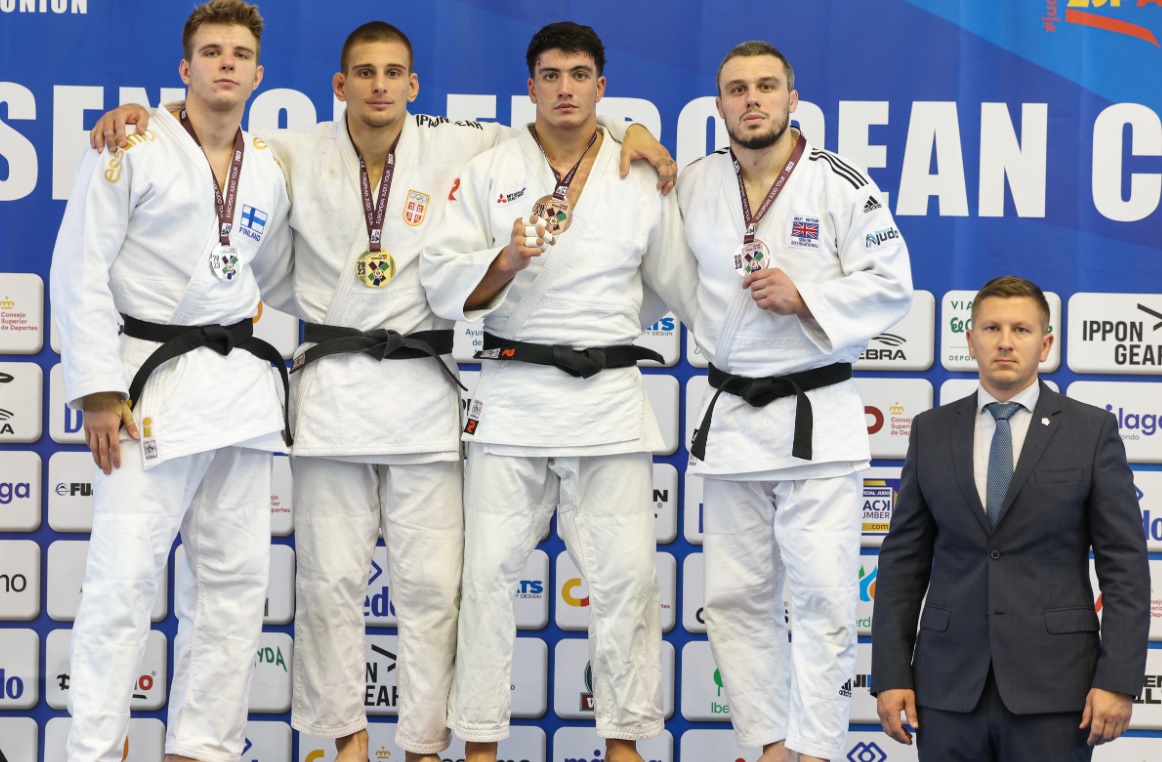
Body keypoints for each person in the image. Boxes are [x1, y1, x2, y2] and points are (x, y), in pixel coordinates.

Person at [89, 21, 676, 762]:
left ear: (413, 85)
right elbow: (217, 129)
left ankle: (424, 744)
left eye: (393, 73)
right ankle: (348, 738)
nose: (379, 86)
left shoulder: (458, 144)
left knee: (432, 588)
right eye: (364, 73)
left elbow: (561, 129)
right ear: (340, 85)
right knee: (328, 581)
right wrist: (148, 116)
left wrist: (631, 132)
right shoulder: (290, 150)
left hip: (422, 393)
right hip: (332, 391)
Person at [420, 21, 696, 762]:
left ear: (601, 86)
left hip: (607, 399)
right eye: (550, 75)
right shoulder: (489, 169)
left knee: (627, 580)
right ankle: (480, 741)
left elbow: (678, 283)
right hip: (513, 392)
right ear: (530, 86)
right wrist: (506, 260)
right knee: (486, 578)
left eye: (579, 75)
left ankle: (624, 741)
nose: (564, 88)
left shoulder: (639, 173)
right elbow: (442, 279)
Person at [49, 2, 293, 762]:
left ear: (259, 74)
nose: (227, 64)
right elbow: (80, 266)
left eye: (240, 54)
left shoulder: (267, 167)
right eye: (212, 52)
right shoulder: (131, 144)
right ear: (185, 69)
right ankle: (95, 747)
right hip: (143, 391)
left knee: (232, 585)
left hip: (238, 391)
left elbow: (271, 273)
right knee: (122, 580)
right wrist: (97, 389)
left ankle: (203, 745)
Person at [675, 41, 912, 762]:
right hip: (734, 420)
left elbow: (893, 283)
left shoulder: (839, 183)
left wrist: (805, 295)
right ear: (720, 105)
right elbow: (662, 267)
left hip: (817, 419)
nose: (752, 99)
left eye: (766, 86)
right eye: (737, 89)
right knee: (734, 601)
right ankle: (769, 746)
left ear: (792, 99)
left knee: (823, 602)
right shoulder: (694, 182)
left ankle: (817, 752)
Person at [871, 276, 1149, 761]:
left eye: (1021, 330)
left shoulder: (1091, 431)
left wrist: (1118, 681)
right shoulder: (931, 431)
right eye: (992, 328)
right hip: (946, 689)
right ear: (970, 340)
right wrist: (891, 674)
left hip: (1057, 691)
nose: (1005, 342)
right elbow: (901, 566)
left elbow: (1124, 567)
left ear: (1046, 345)